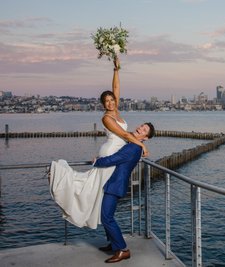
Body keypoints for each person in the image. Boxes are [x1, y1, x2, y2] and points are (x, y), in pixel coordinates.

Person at [49, 57, 149, 229]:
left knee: (98, 190)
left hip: (116, 151)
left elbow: (116, 88)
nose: (111, 102)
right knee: (95, 188)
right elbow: (124, 134)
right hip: (110, 151)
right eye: (107, 101)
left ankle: (106, 224)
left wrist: (116, 70)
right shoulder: (107, 118)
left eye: (112, 100)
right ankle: (94, 215)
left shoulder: (116, 111)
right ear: (103, 104)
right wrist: (142, 145)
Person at [94, 122, 154, 263]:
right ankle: (113, 244)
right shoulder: (134, 145)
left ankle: (123, 249)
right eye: (141, 126)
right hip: (114, 183)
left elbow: (114, 159)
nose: (139, 128)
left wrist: (97, 161)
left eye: (144, 129)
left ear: (145, 137)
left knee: (106, 217)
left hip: (115, 185)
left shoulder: (133, 147)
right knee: (107, 215)